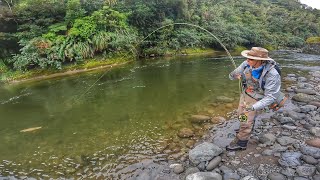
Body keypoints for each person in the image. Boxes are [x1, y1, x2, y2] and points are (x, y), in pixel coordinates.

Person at [226, 47, 286, 151]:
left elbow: (270, 97)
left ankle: (241, 143)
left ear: (261, 60)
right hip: (246, 94)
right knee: (240, 114)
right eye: (247, 58)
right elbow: (231, 76)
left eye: (251, 59)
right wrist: (236, 75)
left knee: (246, 120)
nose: (247, 60)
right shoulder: (246, 64)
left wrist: (253, 107)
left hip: (259, 98)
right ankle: (245, 127)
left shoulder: (272, 74)